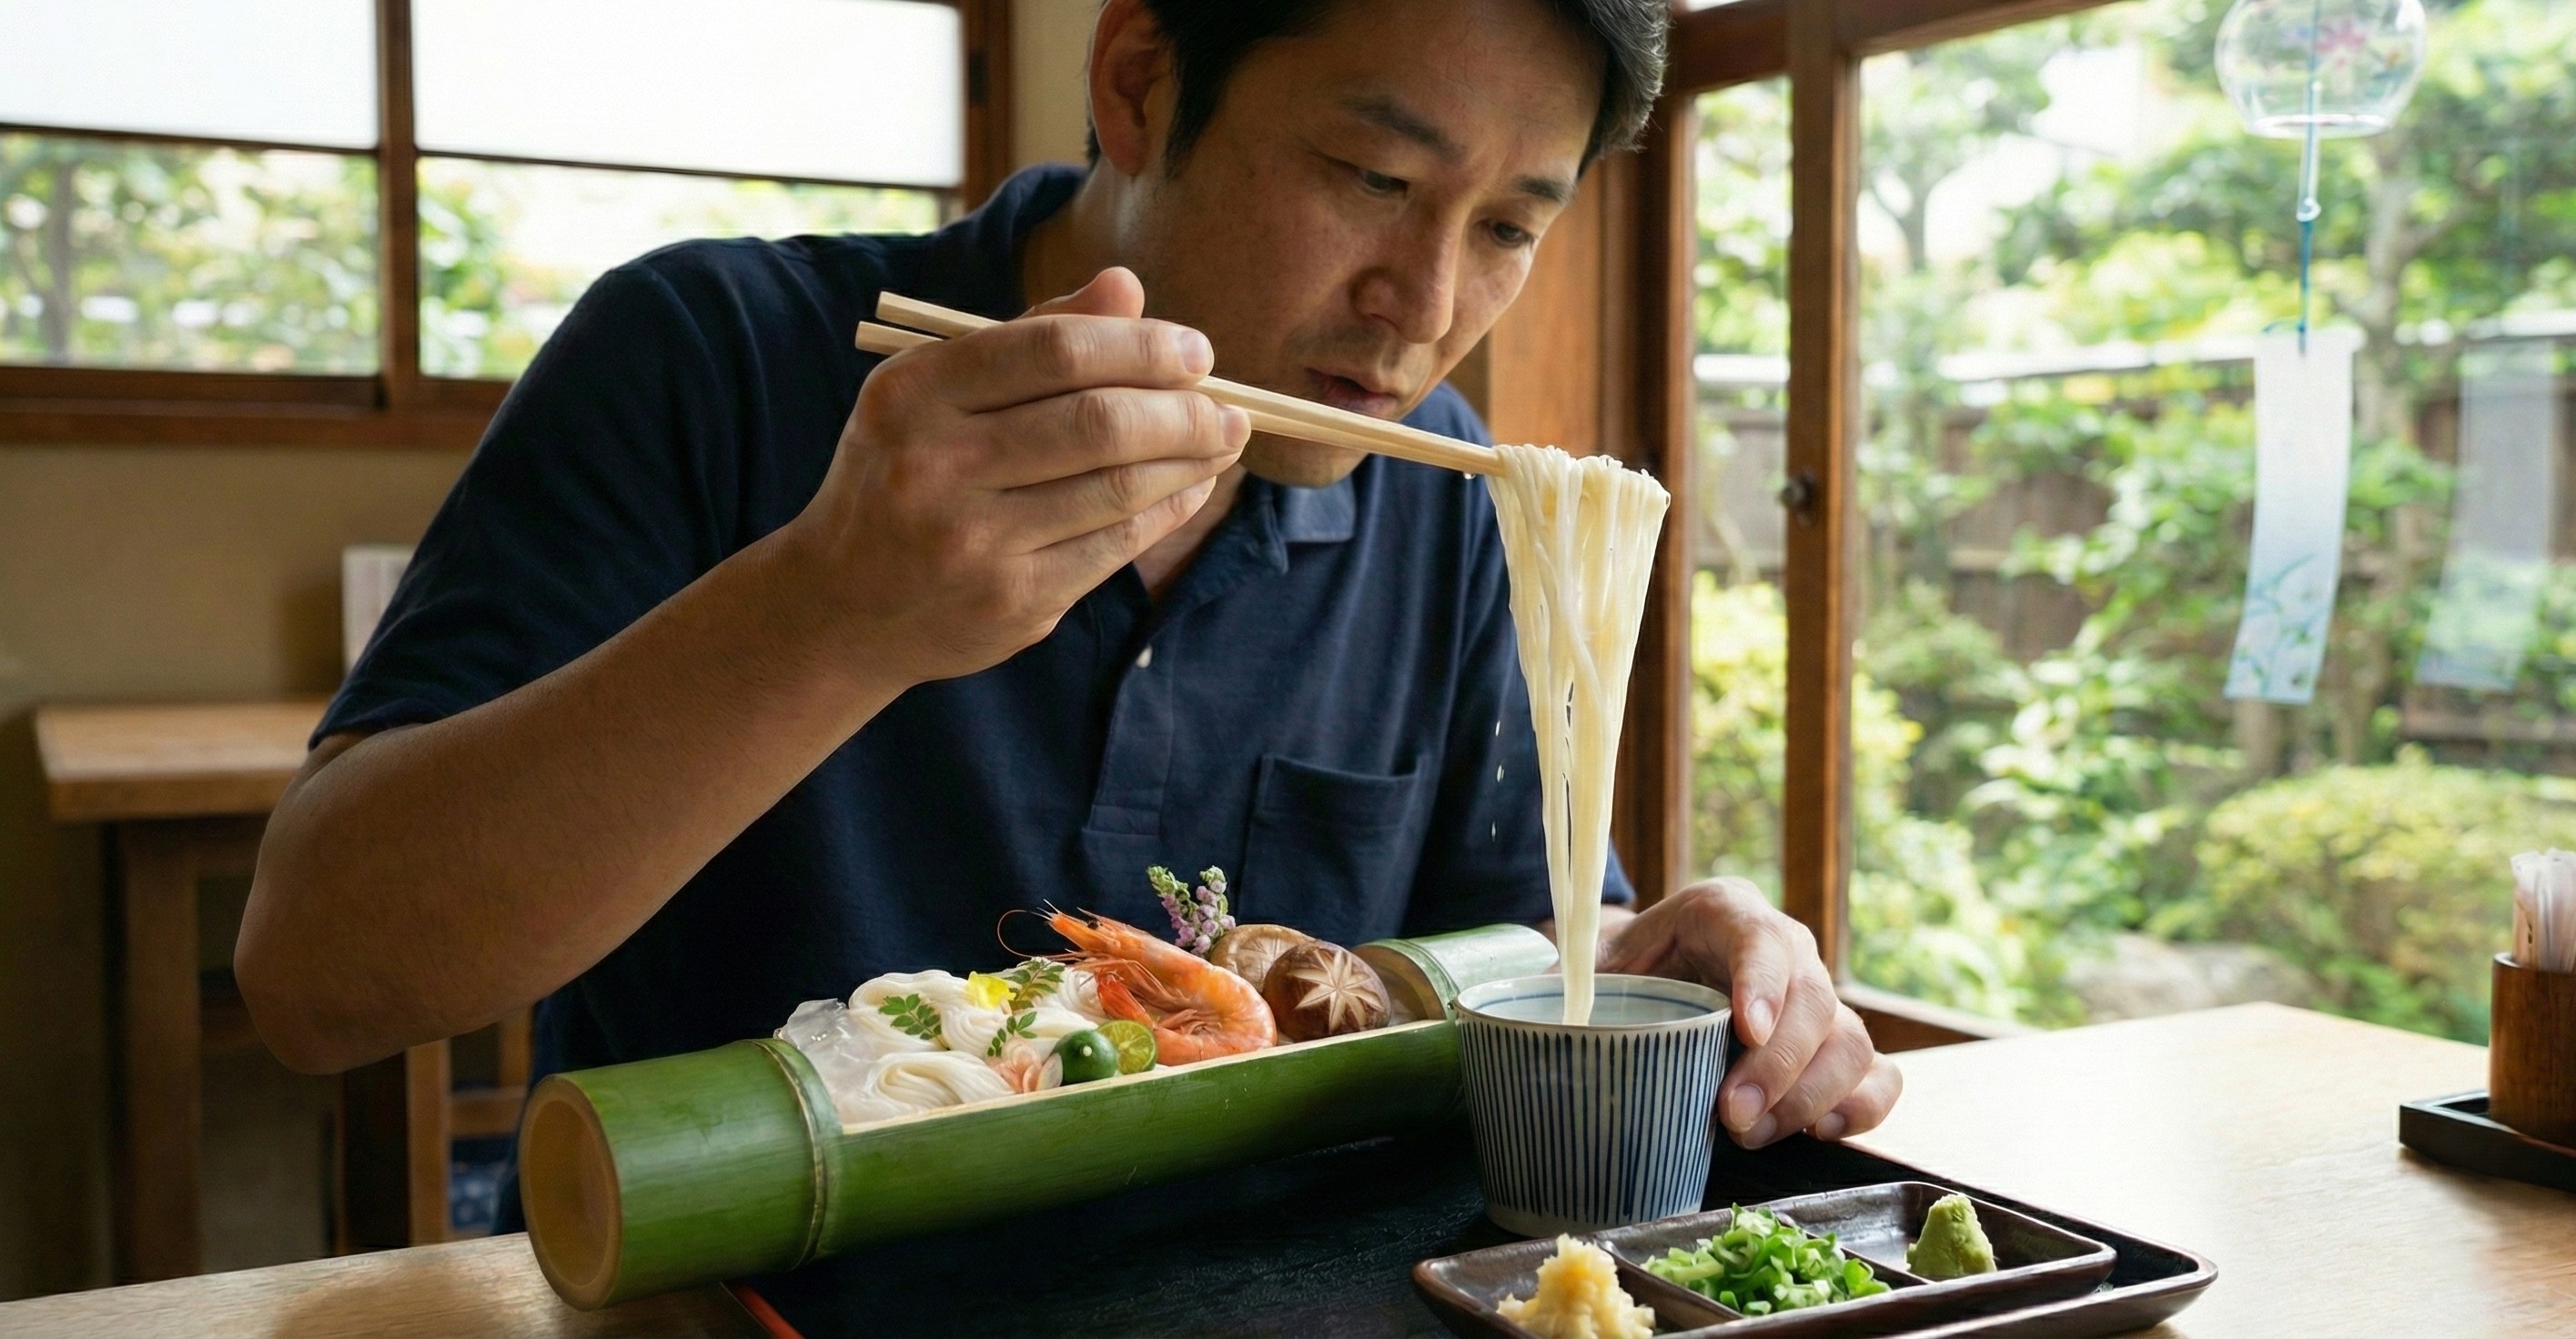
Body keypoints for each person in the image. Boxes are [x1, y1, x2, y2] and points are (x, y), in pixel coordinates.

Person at [238, 0, 1899, 1192]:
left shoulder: (1451, 498)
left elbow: (1532, 949)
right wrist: (832, 609)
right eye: (1374, 183)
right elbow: (320, 970)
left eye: (1511, 226)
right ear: (1136, 82)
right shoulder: (708, 358)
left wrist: (1682, 944)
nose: (1424, 302)